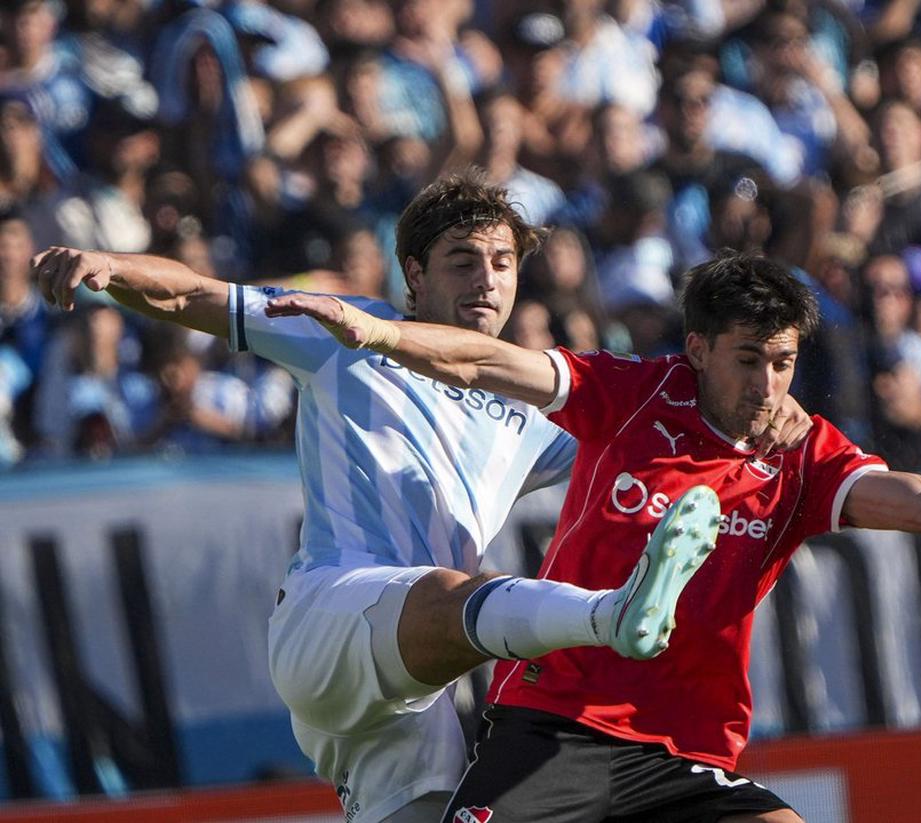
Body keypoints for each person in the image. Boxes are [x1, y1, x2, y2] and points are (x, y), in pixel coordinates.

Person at [32, 171, 813, 823]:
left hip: (422, 682)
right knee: (450, 592)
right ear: (413, 273)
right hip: (330, 615)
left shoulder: (535, 408)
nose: (486, 281)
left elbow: (673, 425)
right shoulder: (347, 330)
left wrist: (775, 410)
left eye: (501, 262)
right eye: (462, 261)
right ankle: (613, 613)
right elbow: (196, 296)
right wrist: (111, 268)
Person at [266, 251, 921, 822]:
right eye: (749, 359)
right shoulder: (630, 392)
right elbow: (490, 364)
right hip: (558, 721)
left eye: (782, 361)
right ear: (698, 349)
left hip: (686, 750)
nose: (768, 382)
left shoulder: (805, 455)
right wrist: (380, 331)